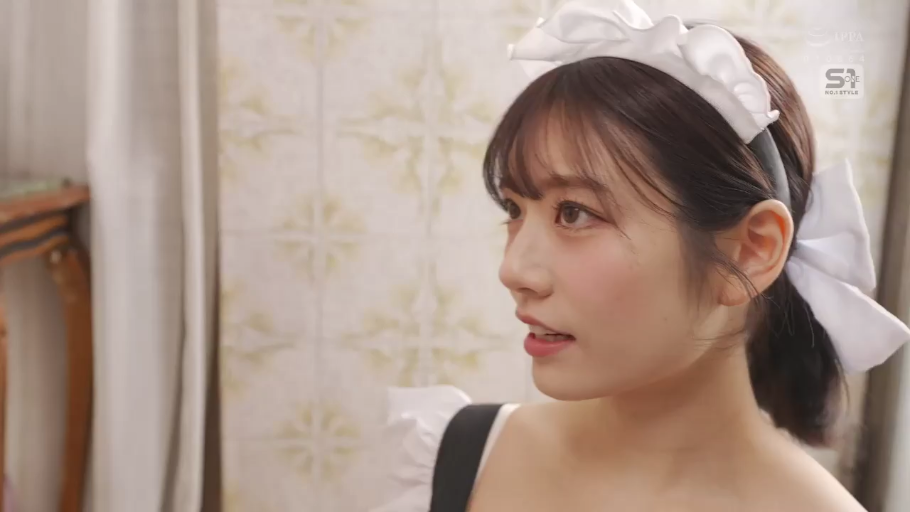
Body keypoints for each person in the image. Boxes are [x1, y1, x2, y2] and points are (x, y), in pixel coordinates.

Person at [371, 1, 910, 511]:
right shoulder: (456, 458)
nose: (513, 271)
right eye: (515, 208)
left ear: (752, 250)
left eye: (574, 213)